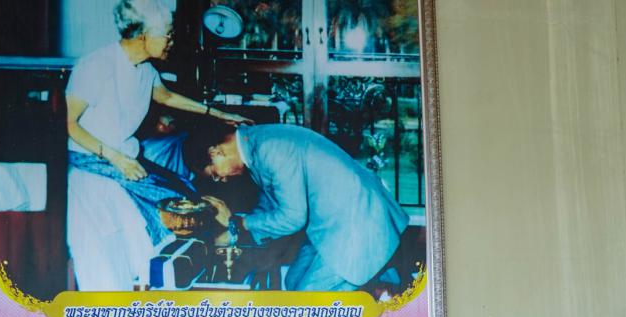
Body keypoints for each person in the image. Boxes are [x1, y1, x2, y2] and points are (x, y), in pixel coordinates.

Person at [65, 0, 249, 290]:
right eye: (167, 34)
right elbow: (68, 123)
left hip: (126, 159)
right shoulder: (96, 66)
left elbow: (167, 97)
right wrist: (115, 158)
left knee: (184, 194)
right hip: (94, 163)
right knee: (167, 207)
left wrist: (218, 113)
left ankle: (168, 282)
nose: (171, 41)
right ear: (143, 35)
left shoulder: (145, 70)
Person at [194, 123, 409, 291]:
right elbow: (271, 202)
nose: (222, 180)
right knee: (294, 282)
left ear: (215, 153)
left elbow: (292, 217)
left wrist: (240, 223)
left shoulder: (269, 148)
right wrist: (235, 227)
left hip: (356, 223)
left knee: (306, 303)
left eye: (215, 175)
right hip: (332, 223)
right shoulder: (254, 144)